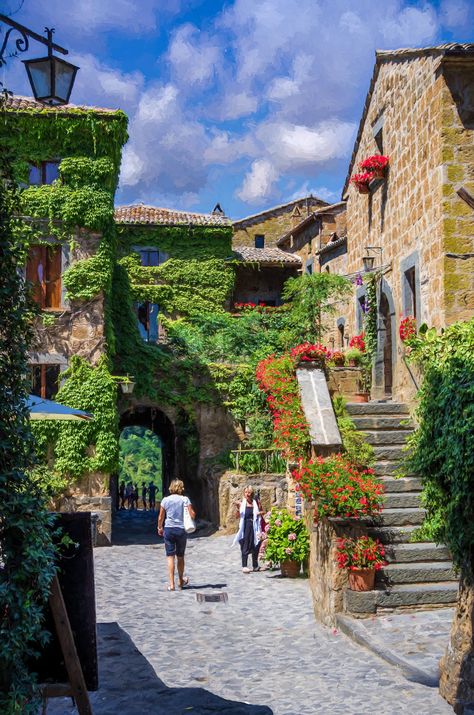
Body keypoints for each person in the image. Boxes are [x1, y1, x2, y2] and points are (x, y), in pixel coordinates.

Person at [157, 479, 195, 591]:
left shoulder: (165, 500)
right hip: (181, 530)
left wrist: (160, 527)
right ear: (181, 488)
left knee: (170, 556)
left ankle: (172, 584)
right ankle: (180, 582)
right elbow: (192, 515)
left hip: (168, 529)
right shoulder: (185, 499)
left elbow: (160, 517)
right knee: (180, 556)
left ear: (171, 487)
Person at [232, 485, 264, 573]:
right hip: (246, 526)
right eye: (246, 492)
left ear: (252, 493)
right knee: (245, 544)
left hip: (254, 526)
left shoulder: (256, 502)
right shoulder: (243, 504)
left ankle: (255, 565)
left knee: (256, 545)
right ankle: (244, 565)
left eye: (249, 492)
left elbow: (262, 511)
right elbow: (237, 516)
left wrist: (258, 513)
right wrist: (238, 509)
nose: (247, 494)